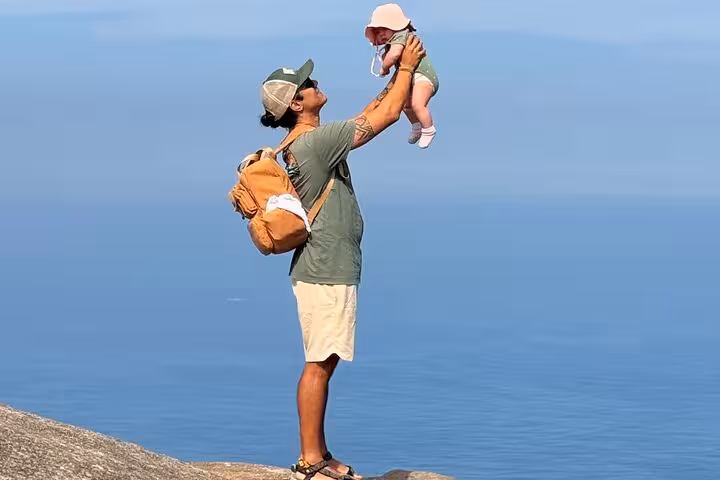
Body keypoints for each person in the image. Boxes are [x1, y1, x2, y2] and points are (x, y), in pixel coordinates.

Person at [258, 35, 425, 480]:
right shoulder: (315, 143)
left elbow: (371, 111)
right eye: (307, 84)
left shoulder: (303, 143)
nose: (315, 83)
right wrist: (407, 65)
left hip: (321, 267)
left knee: (323, 360)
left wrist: (395, 74)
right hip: (326, 267)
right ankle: (311, 459)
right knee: (319, 363)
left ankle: (318, 451)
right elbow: (386, 116)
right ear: (297, 103)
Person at [365, 3, 439, 148]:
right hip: (414, 79)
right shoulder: (392, 42)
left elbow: (394, 55)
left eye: (383, 30)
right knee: (406, 106)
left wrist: (384, 68)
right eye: (377, 32)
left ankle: (428, 129)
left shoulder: (401, 35)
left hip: (423, 76)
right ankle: (417, 126)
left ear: (395, 25)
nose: (381, 35)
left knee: (417, 104)